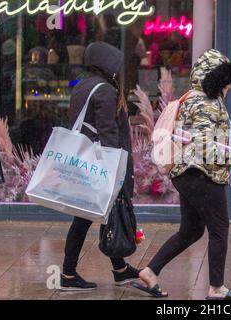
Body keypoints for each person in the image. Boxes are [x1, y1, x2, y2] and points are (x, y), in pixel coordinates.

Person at [132, 49, 231, 300]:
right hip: (202, 175)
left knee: (191, 230)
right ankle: (217, 288)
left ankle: (150, 272)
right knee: (219, 229)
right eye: (226, 83)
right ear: (217, 80)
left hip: (185, 175)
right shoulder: (208, 102)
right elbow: (204, 144)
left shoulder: (190, 97)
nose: (228, 89)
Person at [60, 42, 139, 291]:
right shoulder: (105, 90)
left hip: (88, 164)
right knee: (86, 219)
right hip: (101, 165)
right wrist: (116, 170)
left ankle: (120, 269)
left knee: (106, 214)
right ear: (108, 63)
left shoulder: (84, 85)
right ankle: (68, 274)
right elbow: (108, 133)